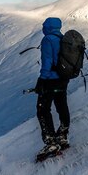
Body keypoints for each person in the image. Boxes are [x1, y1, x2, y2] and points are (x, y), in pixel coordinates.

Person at [35, 17, 70, 157]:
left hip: (51, 80)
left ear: (47, 27)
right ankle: (62, 136)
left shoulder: (48, 39)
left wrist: (41, 80)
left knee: (42, 109)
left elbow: (47, 61)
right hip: (63, 80)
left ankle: (50, 142)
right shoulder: (63, 39)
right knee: (62, 106)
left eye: (44, 25)